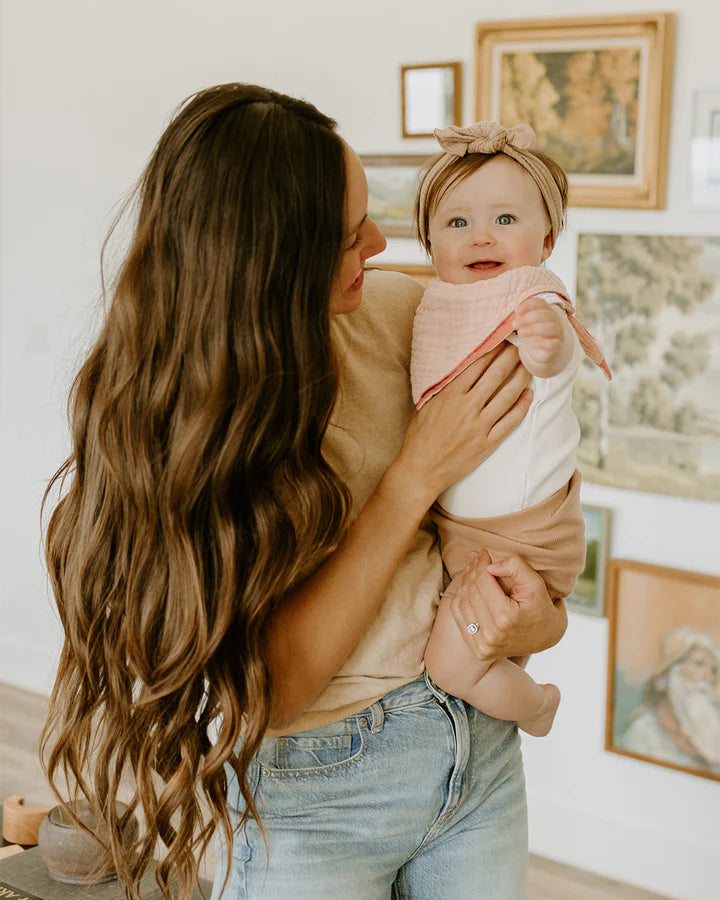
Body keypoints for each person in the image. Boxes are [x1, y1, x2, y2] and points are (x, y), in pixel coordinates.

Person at [40, 85, 570, 900]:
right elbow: (275, 691)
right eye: (349, 234)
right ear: (271, 261)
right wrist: (411, 477)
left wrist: (541, 616)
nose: (386, 241)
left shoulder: (408, 314)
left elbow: (526, 499)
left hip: (478, 751)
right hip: (314, 796)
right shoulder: (175, 431)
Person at [412, 121, 611, 737]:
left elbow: (553, 358)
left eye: (505, 220)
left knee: (450, 664)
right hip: (469, 534)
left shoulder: (535, 304)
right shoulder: (437, 306)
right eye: (457, 222)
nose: (480, 236)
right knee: (483, 649)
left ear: (546, 240)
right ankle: (507, 697)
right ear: (429, 242)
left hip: (521, 537)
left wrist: (547, 347)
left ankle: (537, 707)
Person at [618, 627, 720, 772]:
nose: (709, 679)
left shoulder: (713, 737)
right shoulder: (643, 733)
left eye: (713, 670)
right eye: (699, 664)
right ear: (669, 672)